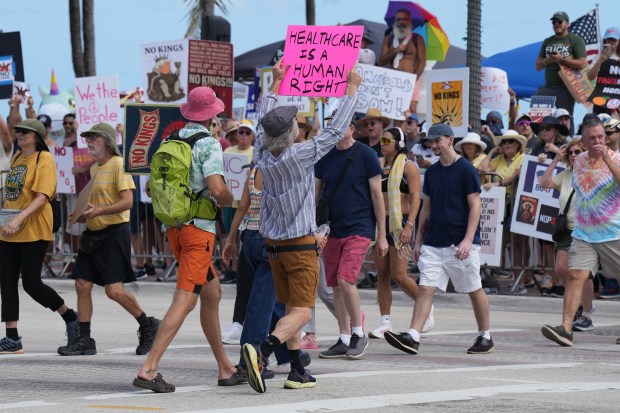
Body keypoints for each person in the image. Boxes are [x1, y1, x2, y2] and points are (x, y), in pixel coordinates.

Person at [241, 59, 361, 393]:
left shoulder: (262, 154)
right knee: (303, 313)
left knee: (291, 309)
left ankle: (297, 370)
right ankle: (262, 352)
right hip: (299, 246)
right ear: (292, 132)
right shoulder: (300, 155)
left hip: (274, 246)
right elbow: (335, 132)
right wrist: (351, 89)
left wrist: (275, 84)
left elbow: (262, 121)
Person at [134, 87, 238, 392]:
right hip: (198, 232)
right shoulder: (209, 144)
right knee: (186, 299)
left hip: (174, 228)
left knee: (212, 293)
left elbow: (152, 188)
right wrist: (230, 199)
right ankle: (149, 369)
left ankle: (225, 367)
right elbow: (216, 189)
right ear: (213, 115)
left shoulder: (169, 140)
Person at [384, 123, 494, 355]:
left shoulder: (466, 169)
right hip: (434, 241)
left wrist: (468, 240)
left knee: (474, 288)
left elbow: (476, 206)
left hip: (460, 241)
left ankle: (485, 335)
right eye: (430, 142)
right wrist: (418, 241)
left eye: (437, 141)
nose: (433, 145)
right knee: (425, 288)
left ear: (450, 140)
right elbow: (426, 208)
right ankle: (413, 335)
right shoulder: (432, 172)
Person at [57, 123, 160, 356]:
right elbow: (98, 204)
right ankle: (85, 339)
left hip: (113, 233)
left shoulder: (119, 164)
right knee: (82, 284)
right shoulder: (95, 168)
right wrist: (83, 214)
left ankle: (147, 324)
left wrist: (99, 212)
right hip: (93, 233)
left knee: (114, 291)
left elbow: (127, 202)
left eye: (94, 137)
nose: (89, 141)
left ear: (108, 141)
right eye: (88, 138)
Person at [0, 119, 79, 354]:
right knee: (6, 281)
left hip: (33, 229)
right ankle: (12, 338)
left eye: (25, 132)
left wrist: (18, 219)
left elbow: (42, 197)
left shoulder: (43, 159)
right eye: (18, 131)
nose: (20, 134)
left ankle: (70, 316)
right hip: (9, 229)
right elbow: (12, 193)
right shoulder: (17, 157)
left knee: (32, 285)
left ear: (37, 136)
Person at [541, 117, 620, 346]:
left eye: (601, 137)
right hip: (583, 234)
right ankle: (566, 329)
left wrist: (607, 158)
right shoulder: (580, 161)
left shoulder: (616, 158)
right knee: (575, 275)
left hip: (613, 233)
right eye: (592, 138)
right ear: (583, 141)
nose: (597, 141)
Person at [315, 118, 388, 360]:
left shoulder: (366, 154)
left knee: (345, 279)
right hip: (331, 228)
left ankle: (358, 333)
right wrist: (314, 228)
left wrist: (382, 235)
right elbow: (316, 195)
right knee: (335, 284)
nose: (335, 130)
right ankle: (344, 337)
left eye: (340, 126)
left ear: (351, 129)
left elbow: (377, 196)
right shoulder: (324, 156)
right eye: (331, 126)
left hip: (359, 226)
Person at [368, 127, 432, 339]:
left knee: (399, 275)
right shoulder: (377, 164)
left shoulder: (408, 166)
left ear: (399, 143)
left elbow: (415, 198)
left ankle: (426, 306)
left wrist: (409, 225)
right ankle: (385, 322)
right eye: (382, 139)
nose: (382, 142)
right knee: (382, 274)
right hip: (380, 223)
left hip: (401, 221)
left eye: (387, 140)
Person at [539, 140, 591, 309]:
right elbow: (544, 183)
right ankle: (576, 300)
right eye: (570, 153)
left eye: (577, 152)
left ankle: (584, 306)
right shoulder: (565, 174)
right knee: (561, 268)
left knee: (582, 272)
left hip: (585, 229)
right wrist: (555, 160)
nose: (573, 155)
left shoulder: (592, 173)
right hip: (566, 228)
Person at [478, 130, 529, 291]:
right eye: (503, 142)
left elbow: (513, 178)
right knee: (506, 242)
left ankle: (522, 280)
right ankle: (513, 279)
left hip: (518, 205)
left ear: (518, 145)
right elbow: (482, 168)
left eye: (510, 141)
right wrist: (493, 150)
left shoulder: (523, 158)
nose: (506, 144)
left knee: (519, 243)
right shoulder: (499, 159)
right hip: (502, 206)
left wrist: (497, 184)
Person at [535, 11, 587, 115]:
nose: (556, 24)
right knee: (537, 117)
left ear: (567, 23)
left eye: (559, 21)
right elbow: (538, 66)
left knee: (564, 119)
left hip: (566, 88)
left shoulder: (575, 40)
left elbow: (582, 64)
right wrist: (548, 60)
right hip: (548, 87)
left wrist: (561, 59)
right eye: (554, 22)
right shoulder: (547, 41)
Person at [378, 8, 426, 114]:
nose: (401, 22)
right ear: (395, 22)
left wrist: (411, 81)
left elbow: (422, 63)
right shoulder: (388, 39)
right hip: (392, 82)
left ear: (410, 21)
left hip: (410, 82)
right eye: (398, 19)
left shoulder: (417, 39)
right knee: (391, 113)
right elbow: (381, 62)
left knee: (409, 113)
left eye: (405, 19)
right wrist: (396, 50)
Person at [587, 27, 620, 116]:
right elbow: (590, 77)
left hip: (618, 101)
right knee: (599, 123)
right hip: (601, 99)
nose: (611, 42)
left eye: (614, 40)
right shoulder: (599, 56)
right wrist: (600, 60)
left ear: (618, 41)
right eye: (609, 39)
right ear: (605, 41)